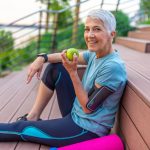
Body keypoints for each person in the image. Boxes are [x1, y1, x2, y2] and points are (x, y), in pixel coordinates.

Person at [0, 9, 127, 147]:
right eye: (87, 29)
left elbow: (88, 108)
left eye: (96, 29)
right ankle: (33, 116)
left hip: (86, 130)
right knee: (56, 68)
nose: (90, 35)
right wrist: (42, 58)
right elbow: (62, 56)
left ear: (112, 34)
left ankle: (27, 123)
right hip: (75, 113)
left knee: (23, 129)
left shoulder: (112, 67)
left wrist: (73, 73)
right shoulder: (96, 54)